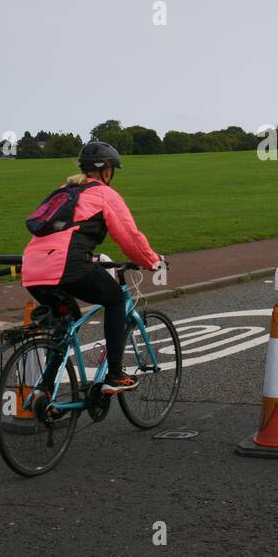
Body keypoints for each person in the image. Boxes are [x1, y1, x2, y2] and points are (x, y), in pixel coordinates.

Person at [21, 140, 164, 393]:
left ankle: (45, 391)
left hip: (33, 269)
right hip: (68, 267)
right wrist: (152, 261)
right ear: (107, 171)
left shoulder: (64, 190)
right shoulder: (103, 194)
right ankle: (115, 375)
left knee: (66, 324)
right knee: (115, 300)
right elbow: (129, 238)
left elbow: (63, 232)